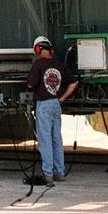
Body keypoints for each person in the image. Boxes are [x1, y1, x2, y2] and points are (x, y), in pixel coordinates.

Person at [26, 35, 78, 186]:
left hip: (44, 105)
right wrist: (62, 98)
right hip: (56, 103)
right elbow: (74, 82)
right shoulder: (59, 64)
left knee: (45, 140)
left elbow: (30, 85)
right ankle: (59, 172)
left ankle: (47, 174)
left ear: (37, 49)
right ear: (50, 49)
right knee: (56, 139)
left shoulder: (38, 64)